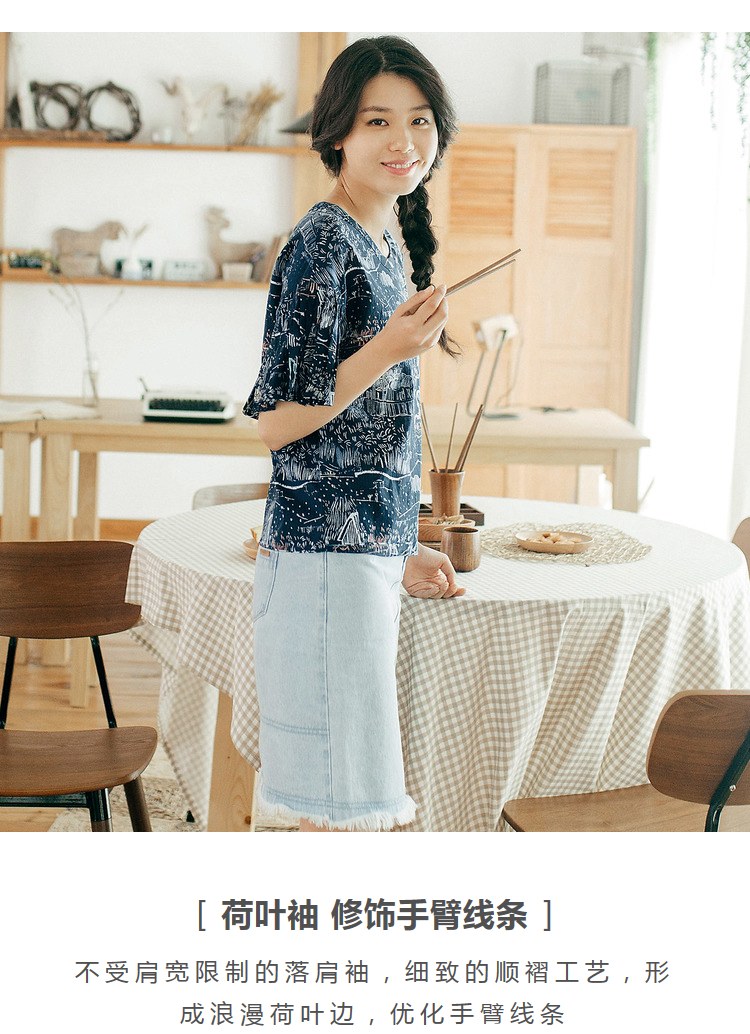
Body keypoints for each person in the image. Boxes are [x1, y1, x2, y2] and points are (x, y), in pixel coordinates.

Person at [244, 35, 464, 832]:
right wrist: (391, 349)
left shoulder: (383, 237)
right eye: (378, 120)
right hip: (322, 568)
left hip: (353, 559)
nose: (403, 140)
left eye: (419, 119)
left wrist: (400, 544)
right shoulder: (321, 243)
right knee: (335, 814)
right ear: (336, 132)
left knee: (348, 808)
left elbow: (365, 440)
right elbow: (280, 424)